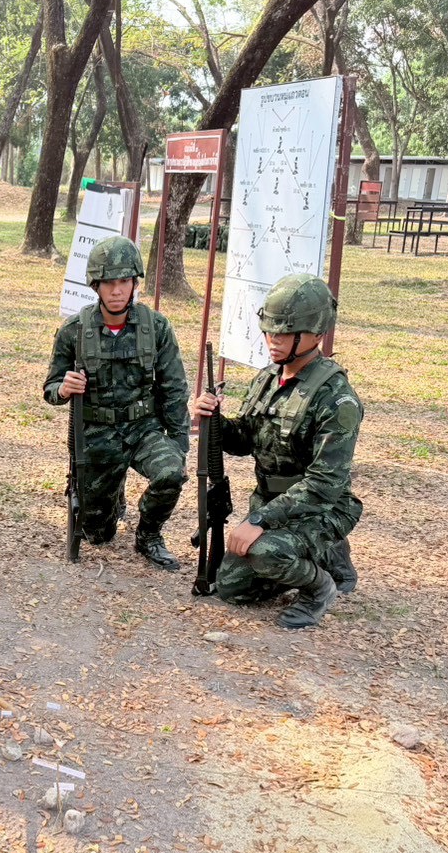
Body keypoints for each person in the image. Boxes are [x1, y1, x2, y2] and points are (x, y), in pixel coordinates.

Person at [191, 273, 362, 630]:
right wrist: (213, 420)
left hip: (320, 509)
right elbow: (245, 440)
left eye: (285, 332)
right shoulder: (268, 379)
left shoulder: (336, 399)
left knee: (265, 553)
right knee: (231, 587)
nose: (273, 340)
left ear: (316, 334)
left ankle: (320, 587)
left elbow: (323, 486)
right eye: (270, 330)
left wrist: (259, 522)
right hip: (271, 504)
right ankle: (320, 556)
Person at [42, 235, 188, 571]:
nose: (118, 290)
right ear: (96, 286)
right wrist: (64, 388)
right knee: (98, 534)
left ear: (135, 282)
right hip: (97, 434)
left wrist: (179, 442)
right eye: (109, 283)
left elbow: (174, 387)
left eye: (125, 281)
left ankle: (149, 535)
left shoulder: (156, 327)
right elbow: (50, 387)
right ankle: (110, 496)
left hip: (143, 429)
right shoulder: (74, 331)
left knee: (170, 472)